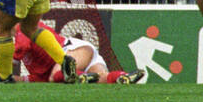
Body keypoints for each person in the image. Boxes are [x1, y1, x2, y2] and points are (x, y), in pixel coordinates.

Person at [13, 26, 143, 84]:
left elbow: (22, 46)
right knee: (102, 79)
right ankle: (123, 77)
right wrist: (13, 79)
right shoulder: (32, 61)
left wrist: (8, 64)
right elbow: (38, 79)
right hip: (84, 55)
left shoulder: (25, 27)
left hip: (73, 50)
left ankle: (83, 77)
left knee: (56, 76)